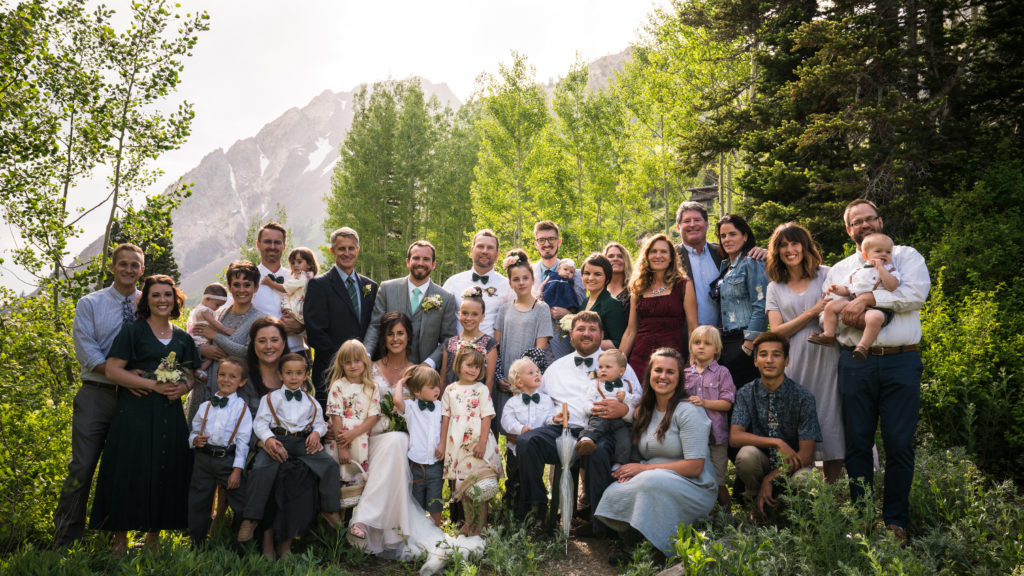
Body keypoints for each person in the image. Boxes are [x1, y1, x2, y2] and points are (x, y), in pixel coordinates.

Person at [826, 199, 929, 545]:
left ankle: (896, 521)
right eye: (858, 221)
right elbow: (833, 307)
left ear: (881, 220)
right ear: (849, 230)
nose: (866, 225)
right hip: (856, 363)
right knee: (857, 444)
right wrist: (850, 308)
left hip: (901, 360)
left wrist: (868, 300)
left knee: (899, 443)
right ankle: (862, 518)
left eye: (871, 218)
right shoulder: (841, 268)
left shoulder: (905, 256)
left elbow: (914, 295)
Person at [89, 274, 199, 554]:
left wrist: (182, 389)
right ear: (146, 301)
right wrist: (152, 385)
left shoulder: (183, 337)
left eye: (167, 295)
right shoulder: (133, 332)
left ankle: (153, 539)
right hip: (134, 413)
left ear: (176, 299)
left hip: (169, 415)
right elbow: (113, 370)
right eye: (156, 295)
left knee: (167, 469)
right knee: (129, 470)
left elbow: (191, 375)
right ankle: (119, 539)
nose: (162, 300)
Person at [54, 243, 145, 549]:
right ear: (112, 267)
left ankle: (117, 536)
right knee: (83, 465)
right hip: (97, 393)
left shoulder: (149, 304)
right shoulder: (90, 303)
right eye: (124, 264)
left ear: (142, 270)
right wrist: (123, 375)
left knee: (127, 468)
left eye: (135, 265)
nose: (129, 269)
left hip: (136, 398)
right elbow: (86, 351)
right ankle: (66, 539)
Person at [516, 311, 638, 534]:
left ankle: (602, 524)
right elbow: (541, 404)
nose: (586, 334)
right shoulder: (556, 369)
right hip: (562, 429)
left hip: (604, 431)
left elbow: (638, 402)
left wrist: (625, 410)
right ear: (571, 335)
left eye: (592, 329)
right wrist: (552, 417)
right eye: (581, 329)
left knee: (598, 451)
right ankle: (539, 510)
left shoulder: (621, 365)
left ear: (601, 334)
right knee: (527, 441)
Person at [594, 347, 717, 560]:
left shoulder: (688, 410)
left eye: (670, 372)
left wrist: (643, 469)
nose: (663, 376)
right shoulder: (644, 410)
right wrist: (631, 469)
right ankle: (632, 540)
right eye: (658, 370)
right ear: (649, 374)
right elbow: (639, 451)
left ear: (679, 378)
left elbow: (695, 466)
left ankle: (659, 548)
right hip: (653, 476)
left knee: (651, 481)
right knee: (617, 488)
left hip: (694, 485)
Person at [239, 353, 344, 556]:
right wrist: (268, 439)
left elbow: (320, 423)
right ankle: (251, 518)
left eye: (298, 373)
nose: (293, 377)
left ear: (305, 375)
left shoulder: (311, 401)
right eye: (289, 373)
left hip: (302, 443)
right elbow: (260, 422)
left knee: (329, 465)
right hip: (278, 441)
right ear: (280, 375)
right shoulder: (271, 398)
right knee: (260, 468)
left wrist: (315, 433)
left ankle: (330, 509)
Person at [764, 222, 844, 482]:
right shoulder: (774, 287)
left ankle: (831, 489)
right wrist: (812, 311)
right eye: (783, 245)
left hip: (828, 357)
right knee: (798, 422)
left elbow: (841, 307)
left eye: (794, 243)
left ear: (805, 245)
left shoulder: (827, 275)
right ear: (776, 252)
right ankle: (800, 488)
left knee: (831, 418)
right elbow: (776, 333)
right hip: (794, 361)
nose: (790, 250)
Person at [730, 332, 822, 520]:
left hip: (793, 468)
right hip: (761, 463)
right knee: (746, 455)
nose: (769, 360)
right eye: (763, 355)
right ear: (755, 361)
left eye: (776, 355)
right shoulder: (746, 393)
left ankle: (793, 517)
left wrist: (771, 478)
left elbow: (806, 454)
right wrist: (777, 442)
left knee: (806, 480)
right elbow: (735, 437)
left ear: (786, 360)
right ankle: (757, 508)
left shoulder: (803, 397)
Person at [494, 249, 553, 504]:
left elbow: (540, 349)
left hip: (527, 382)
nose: (520, 283)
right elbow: (496, 346)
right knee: (510, 433)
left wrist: (521, 377)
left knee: (528, 433)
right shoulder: (505, 309)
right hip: (506, 384)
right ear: (510, 283)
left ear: (533, 280)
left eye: (525, 278)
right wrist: (501, 376)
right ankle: (513, 490)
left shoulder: (541, 309)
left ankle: (533, 494)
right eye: (515, 279)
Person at [304, 227, 378, 405]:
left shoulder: (370, 286)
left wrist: (362, 363)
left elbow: (373, 326)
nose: (347, 253)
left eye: (351, 248)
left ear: (357, 250)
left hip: (363, 373)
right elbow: (315, 332)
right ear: (332, 251)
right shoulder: (318, 285)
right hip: (331, 371)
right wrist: (346, 362)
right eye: (341, 248)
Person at [189, 260, 267, 421]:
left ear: (256, 287)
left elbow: (247, 353)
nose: (242, 290)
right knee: (198, 436)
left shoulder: (259, 319)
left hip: (237, 394)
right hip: (204, 387)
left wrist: (216, 336)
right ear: (229, 287)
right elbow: (194, 340)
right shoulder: (216, 314)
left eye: (247, 284)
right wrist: (203, 350)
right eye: (236, 284)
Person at [187, 356, 252, 547]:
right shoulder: (205, 406)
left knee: (241, 501)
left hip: (228, 461)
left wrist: (237, 470)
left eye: (232, 376)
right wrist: (194, 440)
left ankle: (239, 543)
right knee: (198, 501)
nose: (226, 380)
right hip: (203, 459)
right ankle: (196, 542)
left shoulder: (242, 409)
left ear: (242, 382)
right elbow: (194, 430)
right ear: (216, 376)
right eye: (222, 375)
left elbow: (243, 442)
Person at [440, 345, 503, 536]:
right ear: (459, 364)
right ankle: (468, 523)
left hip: (477, 442)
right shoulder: (450, 390)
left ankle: (481, 524)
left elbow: (486, 416)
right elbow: (445, 418)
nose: (473, 370)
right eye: (469, 365)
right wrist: (442, 444)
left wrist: (482, 442)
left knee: (480, 484)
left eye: (477, 367)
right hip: (457, 443)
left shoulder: (481, 389)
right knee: (464, 486)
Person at [365, 240, 458, 368]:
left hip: (424, 375)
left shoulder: (446, 298)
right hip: (387, 368)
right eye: (416, 258)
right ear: (408, 262)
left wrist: (429, 363)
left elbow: (449, 339)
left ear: (434, 264)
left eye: (426, 259)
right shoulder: (387, 289)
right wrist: (366, 356)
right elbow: (375, 326)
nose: (421, 263)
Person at [674, 201, 766, 327]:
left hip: (725, 335)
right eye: (687, 221)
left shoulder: (722, 253)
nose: (692, 224)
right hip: (688, 337)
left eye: (697, 219)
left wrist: (766, 253)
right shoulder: (669, 258)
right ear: (678, 227)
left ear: (707, 224)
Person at [619, 233, 698, 379]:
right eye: (653, 251)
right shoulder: (639, 286)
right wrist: (619, 360)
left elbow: (693, 328)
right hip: (640, 357)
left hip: (670, 357)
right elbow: (631, 330)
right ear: (646, 256)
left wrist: (694, 357)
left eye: (663, 251)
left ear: (671, 257)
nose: (658, 255)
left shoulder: (684, 285)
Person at [811, 233, 901, 360]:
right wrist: (837, 289)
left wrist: (881, 268)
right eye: (878, 251)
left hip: (879, 308)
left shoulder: (890, 270)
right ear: (865, 256)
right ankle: (828, 334)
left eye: (888, 252)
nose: (884, 255)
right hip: (855, 303)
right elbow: (848, 289)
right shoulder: (857, 272)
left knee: (875, 318)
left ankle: (863, 347)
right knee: (831, 306)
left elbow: (892, 286)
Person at [714, 214, 769, 389]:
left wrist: (749, 344)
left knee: (746, 395)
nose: (727, 239)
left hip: (745, 340)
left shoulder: (752, 262)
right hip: (726, 343)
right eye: (723, 236)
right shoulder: (725, 266)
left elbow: (761, 305)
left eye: (733, 234)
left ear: (745, 236)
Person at [683, 325, 736, 508]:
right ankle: (705, 516)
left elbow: (727, 403)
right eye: (697, 342)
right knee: (697, 479)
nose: (701, 346)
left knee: (718, 479)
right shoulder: (685, 375)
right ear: (691, 347)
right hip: (693, 438)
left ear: (717, 349)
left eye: (707, 343)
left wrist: (704, 402)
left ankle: (728, 519)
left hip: (716, 437)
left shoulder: (723, 373)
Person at [325, 340, 381, 501]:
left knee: (357, 484)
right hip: (340, 439)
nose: (353, 366)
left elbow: (373, 417)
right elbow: (336, 416)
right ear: (342, 365)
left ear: (365, 362)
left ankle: (354, 521)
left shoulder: (372, 387)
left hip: (360, 439)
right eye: (347, 362)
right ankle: (336, 521)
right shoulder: (338, 386)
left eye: (357, 361)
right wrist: (342, 446)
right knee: (339, 480)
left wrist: (354, 433)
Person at [393, 365, 445, 527]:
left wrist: (442, 445)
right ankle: (419, 531)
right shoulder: (411, 408)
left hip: (435, 463)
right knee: (417, 501)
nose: (437, 390)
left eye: (437, 386)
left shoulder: (440, 407)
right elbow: (396, 400)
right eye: (431, 387)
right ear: (417, 392)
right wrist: (401, 383)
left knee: (435, 500)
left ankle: (437, 529)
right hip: (417, 465)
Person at [575, 349, 641, 469]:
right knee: (595, 425)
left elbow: (638, 400)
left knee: (625, 440)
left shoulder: (629, 385)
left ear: (621, 371)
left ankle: (619, 463)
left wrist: (627, 397)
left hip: (621, 421)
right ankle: (587, 440)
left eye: (608, 367)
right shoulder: (595, 384)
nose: (603, 370)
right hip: (601, 416)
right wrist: (592, 409)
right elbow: (586, 401)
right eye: (600, 367)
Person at [441, 229, 513, 336]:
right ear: (471, 251)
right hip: (457, 350)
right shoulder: (452, 283)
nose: (485, 251)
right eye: (480, 246)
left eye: (490, 248)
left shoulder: (508, 286)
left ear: (497, 255)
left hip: (492, 350)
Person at [250, 222, 305, 357]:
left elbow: (316, 316)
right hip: (260, 354)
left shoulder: (299, 279)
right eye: (268, 242)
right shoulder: (247, 278)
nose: (272, 247)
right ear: (258, 245)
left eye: (277, 242)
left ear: (284, 247)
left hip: (295, 352)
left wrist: (302, 327)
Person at [532, 221, 586, 359]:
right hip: (534, 345)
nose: (547, 244)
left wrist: (568, 313)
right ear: (536, 244)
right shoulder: (527, 273)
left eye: (551, 239)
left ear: (559, 241)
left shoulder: (576, 274)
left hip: (565, 346)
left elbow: (585, 308)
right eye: (542, 240)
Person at [441, 287, 498, 395]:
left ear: (482, 317)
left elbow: (489, 381)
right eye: (465, 313)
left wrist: (484, 407)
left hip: (475, 405)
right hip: (451, 403)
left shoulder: (490, 344)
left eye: (475, 314)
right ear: (459, 314)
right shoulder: (449, 343)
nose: (469, 318)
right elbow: (443, 378)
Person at [500, 358, 557, 457]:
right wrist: (520, 429)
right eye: (530, 373)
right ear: (519, 382)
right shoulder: (512, 403)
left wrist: (554, 419)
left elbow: (548, 419)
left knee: (535, 471)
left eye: (537, 371)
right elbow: (507, 421)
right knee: (514, 471)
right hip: (516, 447)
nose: (536, 374)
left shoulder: (547, 400)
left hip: (538, 448)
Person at [261, 246, 319, 337]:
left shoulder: (302, 277)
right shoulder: (307, 277)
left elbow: (285, 288)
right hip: (299, 312)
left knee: (279, 326)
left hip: (297, 313)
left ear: (309, 264)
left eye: (299, 262)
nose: (295, 265)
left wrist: (270, 283)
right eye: (292, 263)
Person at [580, 253, 628, 349]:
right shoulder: (585, 301)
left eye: (597, 274)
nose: (591, 278)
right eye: (587, 273)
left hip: (601, 360)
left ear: (607, 278)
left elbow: (618, 343)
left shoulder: (612, 304)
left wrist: (588, 343)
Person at [186, 282, 233, 378]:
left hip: (200, 336)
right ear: (207, 299)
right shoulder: (205, 310)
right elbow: (214, 322)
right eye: (217, 305)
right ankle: (200, 370)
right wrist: (225, 330)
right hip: (201, 337)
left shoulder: (199, 308)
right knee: (211, 355)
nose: (217, 308)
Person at [603, 241, 633, 314]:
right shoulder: (599, 289)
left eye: (620, 256)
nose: (615, 259)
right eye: (611, 256)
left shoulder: (634, 289)